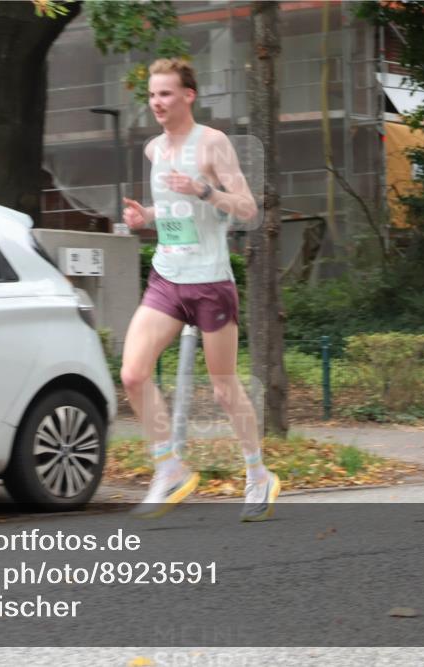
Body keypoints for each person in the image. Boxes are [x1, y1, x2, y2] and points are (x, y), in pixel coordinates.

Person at [121, 58, 280, 521]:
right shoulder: (153, 150)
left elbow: (248, 208)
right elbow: (173, 209)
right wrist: (145, 218)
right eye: (152, 95)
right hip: (167, 277)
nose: (157, 103)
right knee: (133, 373)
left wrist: (204, 190)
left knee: (224, 386)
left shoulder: (213, 144)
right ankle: (168, 466)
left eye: (166, 94)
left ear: (188, 95)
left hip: (210, 281)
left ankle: (257, 474)